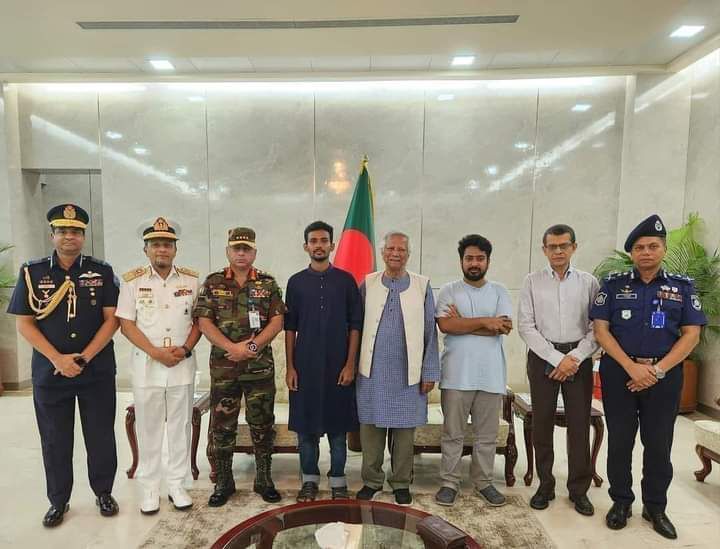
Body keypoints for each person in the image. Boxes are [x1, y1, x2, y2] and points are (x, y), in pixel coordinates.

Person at [590, 214, 706, 540]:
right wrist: (631, 367)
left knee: (658, 444)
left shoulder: (681, 287)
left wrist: (656, 371)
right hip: (619, 374)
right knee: (620, 441)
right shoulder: (613, 285)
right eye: (639, 247)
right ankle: (621, 502)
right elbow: (601, 331)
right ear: (631, 252)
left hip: (664, 377)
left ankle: (655, 507)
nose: (646, 252)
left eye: (653, 246)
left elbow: (691, 335)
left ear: (663, 250)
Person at [6, 204, 120, 527]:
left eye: (76, 232)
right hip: (50, 372)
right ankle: (58, 500)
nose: (70, 236)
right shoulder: (32, 272)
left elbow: (112, 321)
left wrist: (84, 357)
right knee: (55, 439)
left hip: (95, 371)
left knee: (100, 435)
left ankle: (103, 492)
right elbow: (25, 323)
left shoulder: (101, 271)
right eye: (63, 231)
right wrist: (58, 359)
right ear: (52, 235)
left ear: (83, 236)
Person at [194, 227, 286, 506]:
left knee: (262, 424)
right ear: (228, 251)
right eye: (237, 248)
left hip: (259, 369)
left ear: (254, 253)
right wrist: (232, 348)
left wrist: (252, 348)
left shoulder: (267, 284)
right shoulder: (213, 282)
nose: (241, 253)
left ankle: (263, 479)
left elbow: (277, 321)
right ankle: (224, 481)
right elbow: (204, 321)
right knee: (222, 426)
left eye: (247, 249)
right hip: (225, 369)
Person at [115, 217, 201, 514]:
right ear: (146, 249)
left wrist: (185, 349)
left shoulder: (191, 280)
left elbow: (200, 321)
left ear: (175, 249)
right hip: (147, 365)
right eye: (155, 245)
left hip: (181, 363)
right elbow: (126, 324)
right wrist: (155, 352)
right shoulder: (132, 281)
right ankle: (150, 487)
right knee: (148, 428)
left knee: (180, 427)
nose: (161, 249)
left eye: (167, 244)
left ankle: (177, 485)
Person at [518, 224, 599, 515]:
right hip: (543, 357)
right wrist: (556, 359)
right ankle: (545, 485)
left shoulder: (589, 282)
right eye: (552, 246)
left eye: (564, 245)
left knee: (579, 424)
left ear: (574, 247)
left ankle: (579, 490)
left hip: (579, 357)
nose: (558, 251)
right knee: (542, 422)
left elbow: (598, 326)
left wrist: (573, 358)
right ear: (544, 250)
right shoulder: (532, 281)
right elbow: (525, 326)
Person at [355, 231, 440, 506]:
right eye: (391, 248)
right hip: (372, 373)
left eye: (401, 250)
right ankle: (371, 481)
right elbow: (355, 328)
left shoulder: (422, 285)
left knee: (404, 434)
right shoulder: (368, 284)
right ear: (382, 253)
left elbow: (430, 332)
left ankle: (401, 482)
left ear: (408, 254)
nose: (396, 253)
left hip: (408, 374)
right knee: (371, 431)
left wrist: (429, 372)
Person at [285, 220, 362, 501]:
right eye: (313, 241)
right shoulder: (295, 282)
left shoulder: (346, 281)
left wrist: (350, 364)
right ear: (306, 246)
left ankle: (338, 480)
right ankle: (309, 480)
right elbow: (290, 328)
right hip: (305, 367)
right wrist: (290, 367)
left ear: (332, 245)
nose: (319, 246)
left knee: (338, 430)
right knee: (306, 430)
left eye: (324, 241)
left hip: (338, 367)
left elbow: (355, 325)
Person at [434, 234, 513, 507]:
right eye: (469, 258)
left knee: (486, 436)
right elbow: (446, 326)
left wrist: (464, 323)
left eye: (480, 258)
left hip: (491, 376)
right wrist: (486, 322)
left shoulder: (500, 291)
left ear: (488, 261)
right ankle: (449, 483)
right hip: (456, 375)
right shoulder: (448, 290)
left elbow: (503, 328)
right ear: (461, 261)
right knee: (452, 434)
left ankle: (484, 483)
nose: (474, 263)